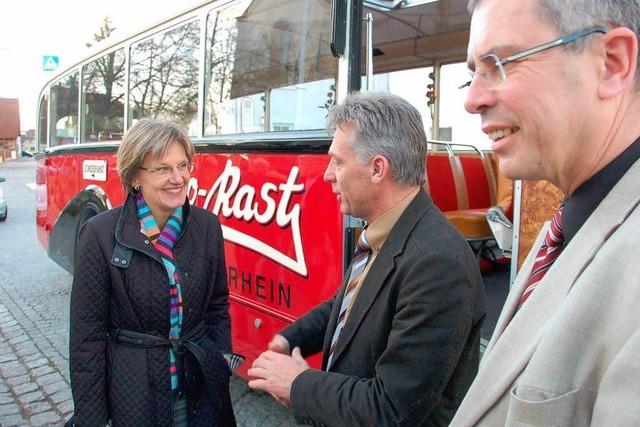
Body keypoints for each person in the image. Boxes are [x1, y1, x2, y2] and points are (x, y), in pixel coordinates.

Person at [451, 0, 640, 425]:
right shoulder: (572, 218)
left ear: (611, 63)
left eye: (498, 62)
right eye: (471, 73)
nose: (473, 100)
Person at [247, 92, 486, 426]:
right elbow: (351, 304)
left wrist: (297, 384)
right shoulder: (390, 229)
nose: (328, 174)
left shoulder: (438, 264)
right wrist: (291, 338)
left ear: (377, 168)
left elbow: (391, 408)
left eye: (338, 162)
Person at [69, 119, 236, 426]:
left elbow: (217, 307)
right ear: (134, 177)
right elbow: (87, 338)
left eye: (183, 165)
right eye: (162, 169)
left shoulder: (207, 226)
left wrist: (220, 361)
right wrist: (90, 418)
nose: (178, 178)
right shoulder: (100, 234)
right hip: (135, 395)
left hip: (199, 388)